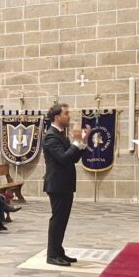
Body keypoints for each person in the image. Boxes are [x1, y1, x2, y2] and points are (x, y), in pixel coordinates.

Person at [42, 103, 88, 266]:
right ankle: (52, 255)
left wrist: (82, 142)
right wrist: (76, 141)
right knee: (57, 219)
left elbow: (73, 158)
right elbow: (63, 158)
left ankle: (58, 251)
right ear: (57, 117)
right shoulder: (51, 136)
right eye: (66, 113)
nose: (69, 116)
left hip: (64, 184)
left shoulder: (61, 135)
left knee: (62, 220)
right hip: (57, 184)